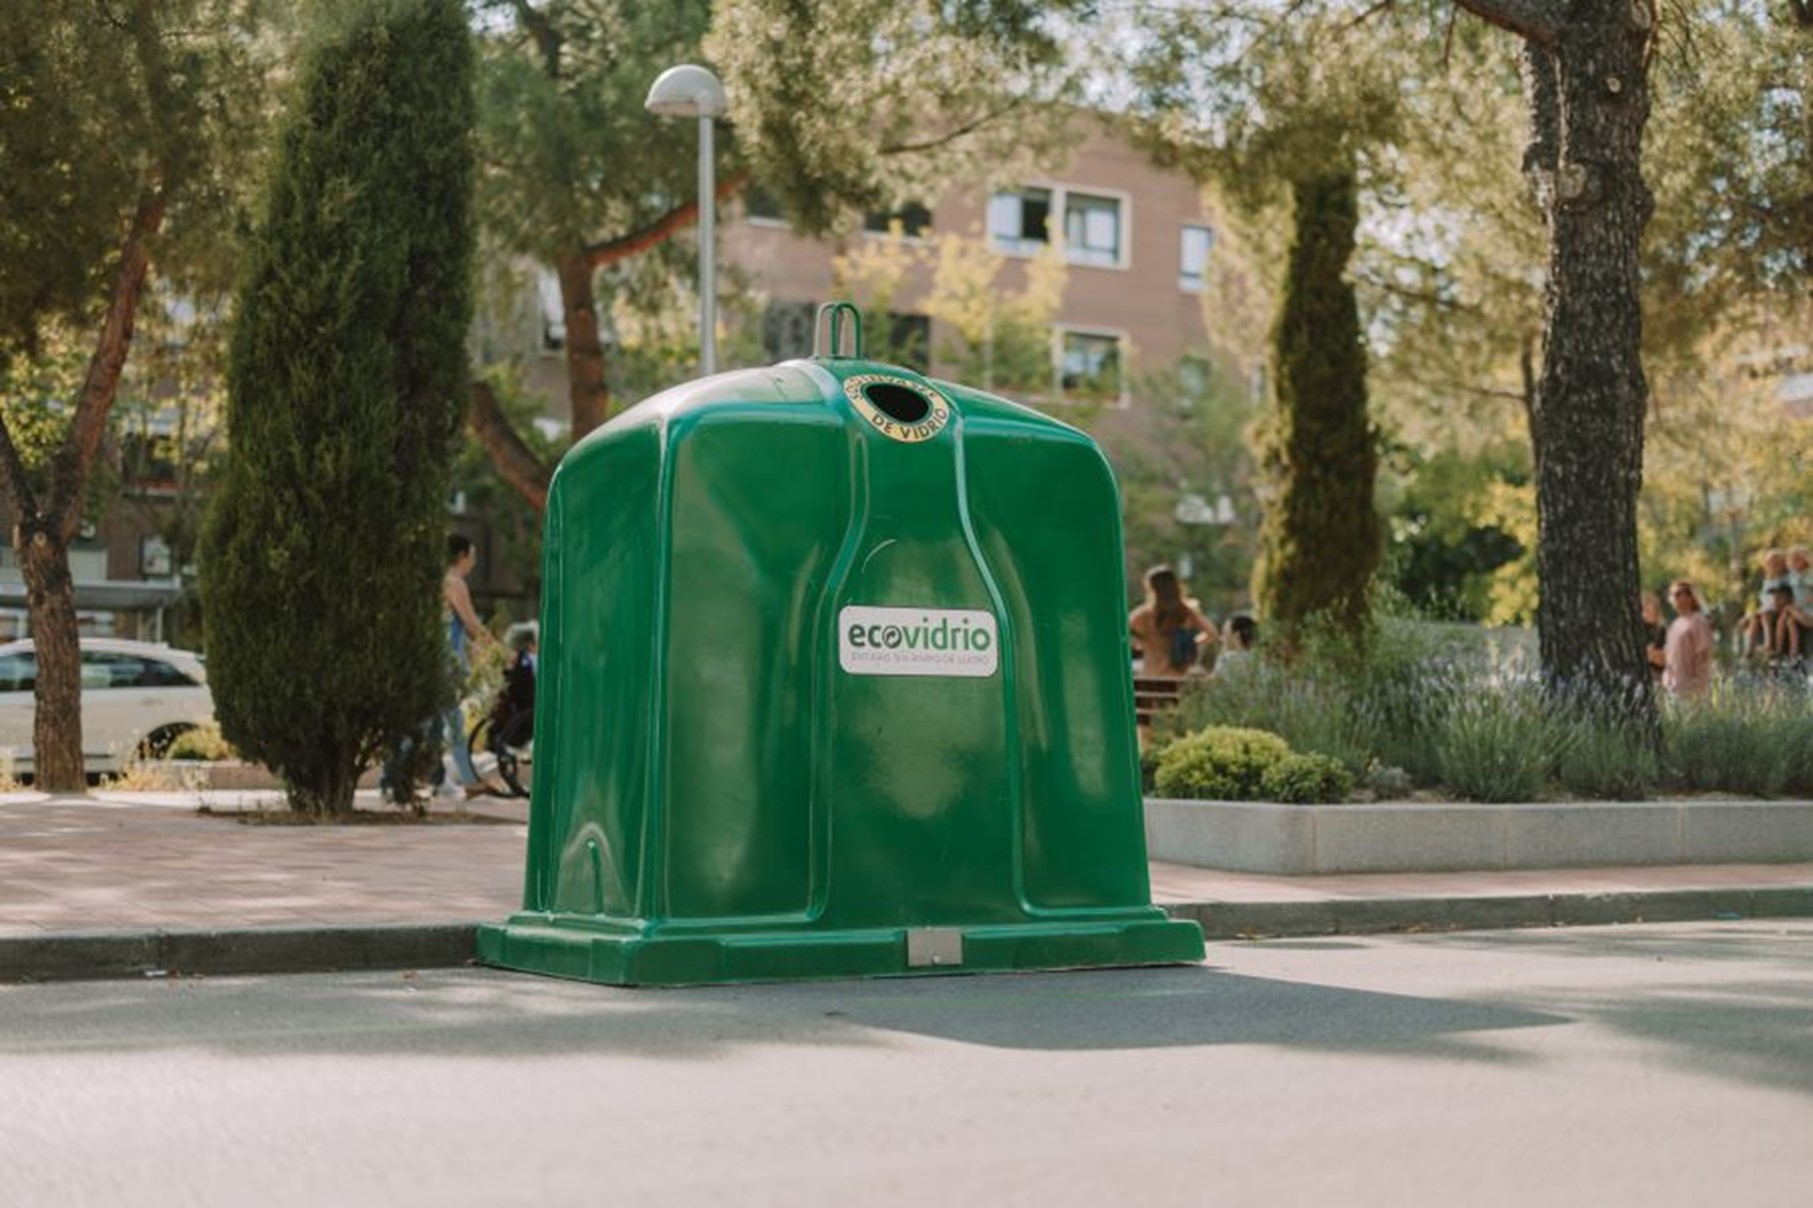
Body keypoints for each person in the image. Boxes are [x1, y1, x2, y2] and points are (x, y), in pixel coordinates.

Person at [441, 535, 504, 798]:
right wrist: (501, 652)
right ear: (462, 556)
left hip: (444, 658)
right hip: (446, 662)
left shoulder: (442, 581)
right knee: (444, 720)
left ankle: (454, 780)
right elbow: (471, 624)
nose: (475, 562)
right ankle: (462, 779)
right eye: (473, 556)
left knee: (441, 720)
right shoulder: (455, 582)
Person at [1128, 564, 1218, 677]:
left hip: (1152, 673)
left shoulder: (1144, 615)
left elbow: (1124, 631)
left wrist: (1141, 642)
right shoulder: (1186, 612)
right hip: (1178, 676)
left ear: (1152, 589)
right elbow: (1212, 633)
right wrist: (1193, 642)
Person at [1662, 579, 1714, 699]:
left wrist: (1698, 684)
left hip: (1692, 688)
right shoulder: (1675, 624)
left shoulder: (1698, 621)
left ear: (1691, 597)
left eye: (1684, 593)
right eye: (1675, 595)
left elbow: (1704, 653)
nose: (1679, 598)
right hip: (1672, 685)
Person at [1216, 613, 1258, 677]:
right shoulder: (1258, 659)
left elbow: (1214, 682)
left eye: (1225, 633)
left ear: (1236, 636)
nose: (1221, 639)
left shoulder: (1227, 659)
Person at [1639, 591, 1667, 681]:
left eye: (1649, 609)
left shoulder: (1661, 631)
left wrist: (1650, 655)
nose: (1644, 613)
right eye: (1644, 608)